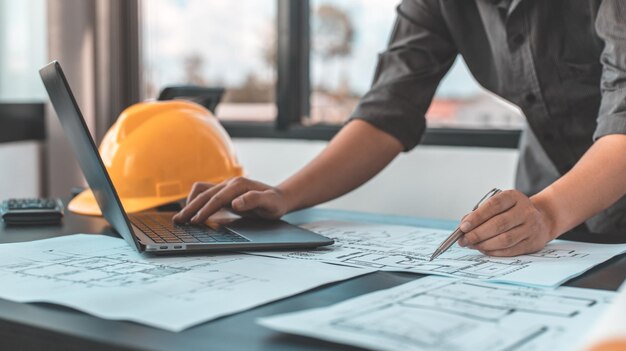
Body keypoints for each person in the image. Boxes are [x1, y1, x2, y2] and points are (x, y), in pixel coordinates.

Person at [174, 0, 626, 257]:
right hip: (544, 196)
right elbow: (388, 110)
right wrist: (286, 195)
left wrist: (547, 213)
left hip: (564, 203)